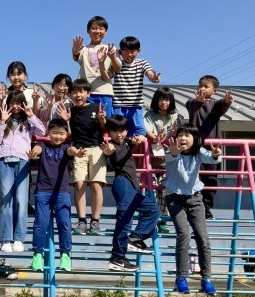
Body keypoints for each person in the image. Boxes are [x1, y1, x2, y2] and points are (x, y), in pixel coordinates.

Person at [164, 124, 222, 295]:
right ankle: (181, 278)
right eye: (180, 134)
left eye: (187, 135)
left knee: (203, 238)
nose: (183, 138)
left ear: (195, 139)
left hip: (195, 198)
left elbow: (213, 159)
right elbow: (170, 157)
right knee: (184, 235)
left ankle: (206, 279)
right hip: (175, 198)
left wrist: (215, 154)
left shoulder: (198, 152)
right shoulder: (172, 150)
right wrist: (173, 152)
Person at [102, 115, 159, 272]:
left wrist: (137, 140)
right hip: (123, 183)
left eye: (122, 130)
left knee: (153, 209)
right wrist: (108, 152)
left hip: (132, 186)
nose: (118, 134)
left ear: (126, 131)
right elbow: (110, 156)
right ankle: (117, 258)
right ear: (109, 132)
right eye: (114, 131)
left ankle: (135, 238)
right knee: (124, 221)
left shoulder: (126, 142)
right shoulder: (111, 145)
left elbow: (139, 138)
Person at [0, 91, 46, 252]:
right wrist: (2, 122)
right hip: (4, 159)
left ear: (23, 103)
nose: (15, 106)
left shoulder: (27, 122)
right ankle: (5, 238)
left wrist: (32, 116)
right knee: (5, 199)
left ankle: (19, 238)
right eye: (12, 102)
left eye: (18, 103)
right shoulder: (4, 119)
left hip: (22, 160)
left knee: (21, 200)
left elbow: (43, 132)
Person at [57, 79, 106, 236]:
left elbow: (105, 129)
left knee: (96, 186)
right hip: (79, 150)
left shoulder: (96, 108)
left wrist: (102, 119)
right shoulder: (70, 111)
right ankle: (82, 221)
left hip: (97, 149)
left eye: (81, 91)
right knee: (79, 185)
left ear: (88, 93)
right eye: (74, 92)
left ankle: (95, 221)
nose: (78, 95)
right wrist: (66, 121)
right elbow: (70, 134)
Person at [28, 119, 78, 272]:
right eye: (54, 133)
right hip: (43, 192)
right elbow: (37, 148)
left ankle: (65, 256)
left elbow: (71, 151)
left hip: (62, 193)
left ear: (66, 134)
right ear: (48, 133)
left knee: (64, 224)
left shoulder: (66, 147)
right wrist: (34, 153)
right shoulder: (43, 145)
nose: (58, 136)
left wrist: (77, 152)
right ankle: (37, 255)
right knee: (40, 224)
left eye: (61, 133)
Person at [186, 75, 234, 220]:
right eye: (200, 85)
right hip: (194, 148)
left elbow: (222, 106)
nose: (202, 88)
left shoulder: (215, 104)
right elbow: (192, 109)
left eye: (206, 86)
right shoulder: (191, 102)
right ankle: (192, 206)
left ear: (214, 90)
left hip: (212, 149)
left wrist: (227, 101)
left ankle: (206, 207)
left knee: (211, 178)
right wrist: (198, 102)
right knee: (193, 176)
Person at [144, 86, 183, 232]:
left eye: (167, 99)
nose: (164, 102)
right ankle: (154, 218)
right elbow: (147, 131)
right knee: (153, 190)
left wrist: (173, 134)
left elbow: (179, 135)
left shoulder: (175, 116)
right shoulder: (149, 114)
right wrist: (156, 138)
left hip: (169, 159)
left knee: (166, 190)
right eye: (161, 99)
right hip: (152, 158)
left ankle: (163, 221)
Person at [72, 15, 122, 118]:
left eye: (101, 28)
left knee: (105, 120)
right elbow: (76, 56)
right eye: (94, 28)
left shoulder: (111, 49)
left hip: (104, 92)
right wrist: (76, 50)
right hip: (85, 93)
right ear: (88, 31)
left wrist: (112, 57)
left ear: (106, 31)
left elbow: (118, 68)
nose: (97, 31)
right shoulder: (83, 49)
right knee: (86, 120)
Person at [112, 36, 161, 139]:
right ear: (120, 52)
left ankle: (134, 148)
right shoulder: (117, 65)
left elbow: (149, 73)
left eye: (132, 51)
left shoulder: (142, 63)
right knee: (117, 131)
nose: (129, 54)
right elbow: (108, 75)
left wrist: (153, 77)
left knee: (139, 132)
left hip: (136, 106)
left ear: (138, 51)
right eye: (126, 51)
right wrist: (114, 55)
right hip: (118, 105)